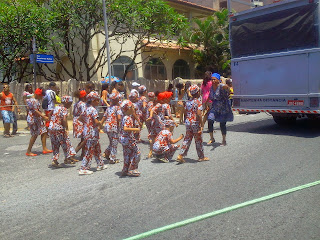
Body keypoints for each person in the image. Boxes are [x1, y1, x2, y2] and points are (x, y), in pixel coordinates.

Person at [177, 85, 208, 163]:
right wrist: (202, 124)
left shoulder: (188, 102)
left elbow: (185, 112)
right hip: (195, 123)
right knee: (198, 140)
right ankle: (201, 156)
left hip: (188, 122)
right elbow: (199, 114)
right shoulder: (198, 102)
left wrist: (185, 120)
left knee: (187, 138)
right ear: (197, 92)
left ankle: (181, 154)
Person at [79, 91, 107, 175]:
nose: (98, 102)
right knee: (89, 150)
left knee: (97, 148)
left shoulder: (85, 108)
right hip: (92, 132)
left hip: (87, 131)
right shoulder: (93, 109)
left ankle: (100, 164)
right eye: (97, 100)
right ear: (93, 100)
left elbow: (80, 118)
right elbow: (96, 121)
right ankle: (83, 168)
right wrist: (101, 126)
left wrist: (87, 123)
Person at [48, 96, 77, 167]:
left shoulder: (56, 107)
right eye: (70, 103)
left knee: (55, 144)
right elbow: (64, 119)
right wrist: (66, 128)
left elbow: (49, 114)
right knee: (65, 143)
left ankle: (54, 160)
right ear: (66, 102)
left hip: (52, 128)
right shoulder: (64, 109)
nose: (70, 105)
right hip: (59, 128)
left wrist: (52, 122)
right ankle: (67, 158)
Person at [207, 73, 234, 146]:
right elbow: (210, 96)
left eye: (214, 79)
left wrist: (227, 87)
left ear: (218, 80)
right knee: (210, 120)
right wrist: (206, 104)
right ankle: (212, 138)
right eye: (212, 79)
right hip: (215, 107)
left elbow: (227, 89)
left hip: (223, 108)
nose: (212, 81)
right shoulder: (211, 87)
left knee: (222, 124)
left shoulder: (221, 86)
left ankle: (224, 139)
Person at [25, 88, 52, 156]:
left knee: (44, 131)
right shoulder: (32, 100)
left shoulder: (36, 100)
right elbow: (35, 110)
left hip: (38, 119)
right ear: (37, 94)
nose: (41, 97)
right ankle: (28, 151)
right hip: (33, 119)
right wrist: (44, 117)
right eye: (40, 96)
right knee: (34, 134)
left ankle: (44, 148)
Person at [119, 100, 141, 177]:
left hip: (123, 139)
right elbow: (125, 128)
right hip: (128, 139)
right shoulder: (128, 118)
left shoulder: (124, 117)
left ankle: (125, 169)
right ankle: (132, 169)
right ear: (128, 109)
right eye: (132, 107)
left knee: (127, 154)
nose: (133, 108)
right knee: (137, 152)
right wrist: (136, 129)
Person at [100, 92, 122, 164]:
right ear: (116, 100)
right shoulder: (117, 108)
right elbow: (119, 118)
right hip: (114, 127)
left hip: (107, 126)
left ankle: (107, 152)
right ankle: (113, 158)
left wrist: (100, 125)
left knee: (111, 142)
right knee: (115, 142)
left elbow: (104, 117)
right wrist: (121, 125)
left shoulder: (109, 108)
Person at [73, 90, 87, 156]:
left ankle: (83, 154)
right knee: (84, 140)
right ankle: (73, 153)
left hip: (76, 120)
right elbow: (83, 114)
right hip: (80, 121)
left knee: (83, 138)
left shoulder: (76, 103)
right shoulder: (83, 104)